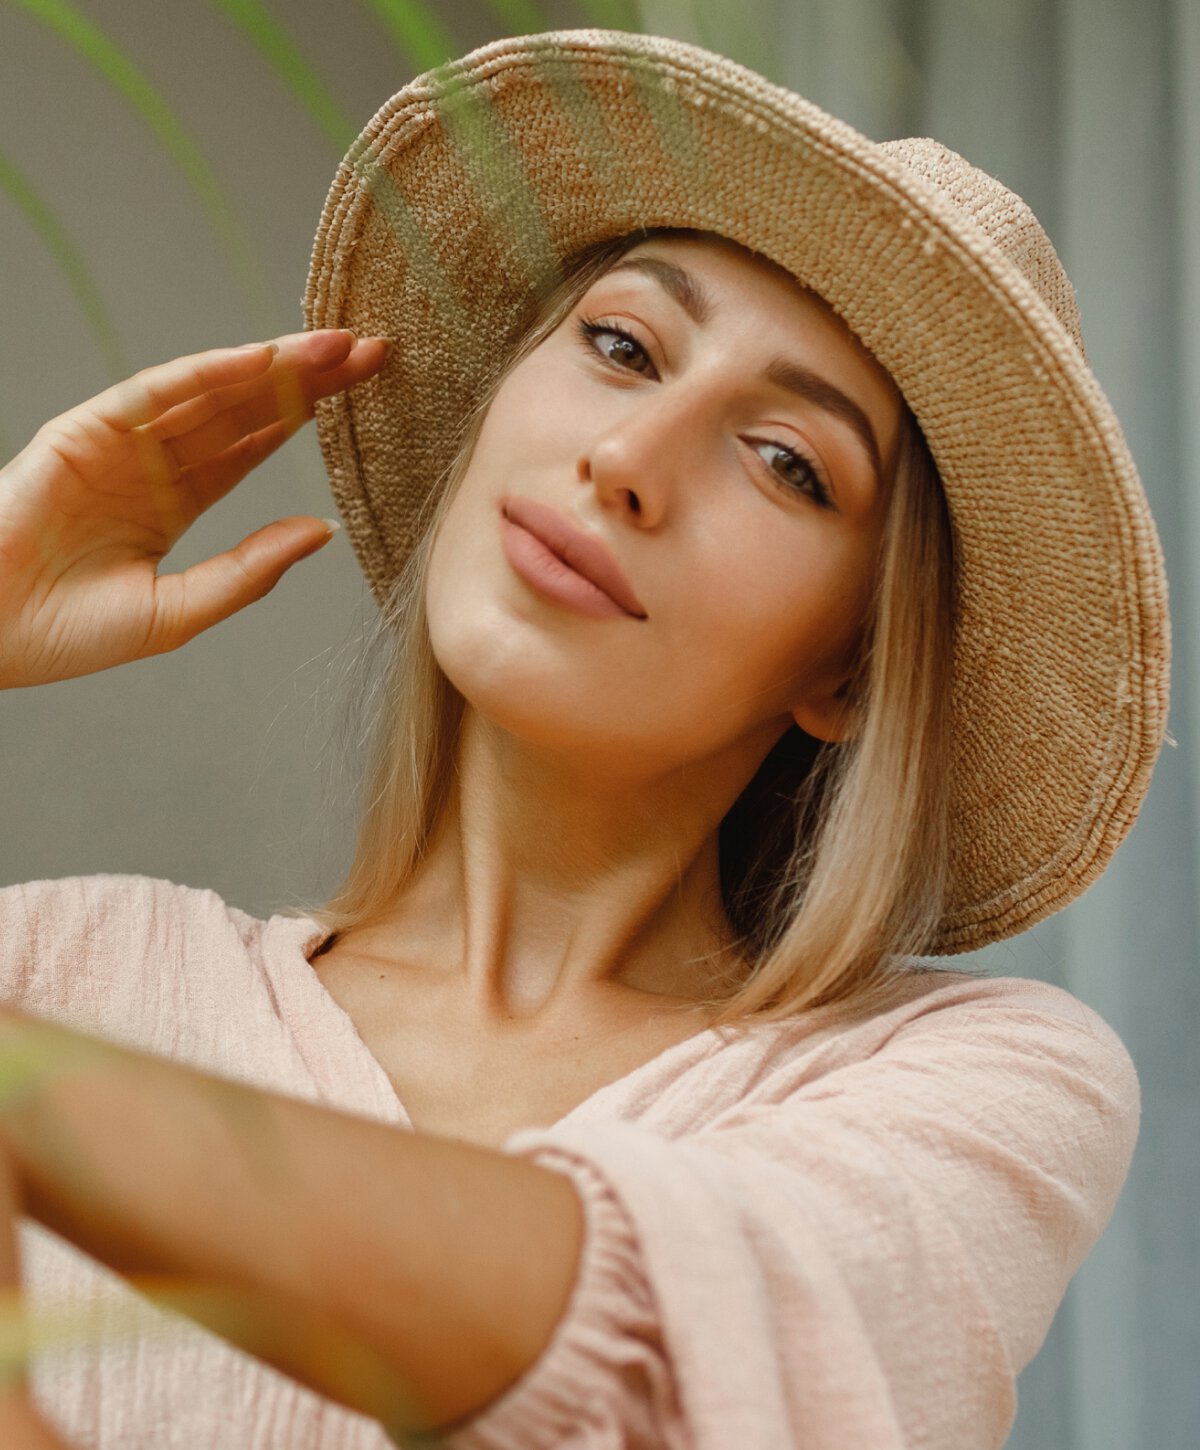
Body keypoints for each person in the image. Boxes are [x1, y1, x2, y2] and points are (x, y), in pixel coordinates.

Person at [0, 27, 1168, 1450]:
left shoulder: (969, 1083)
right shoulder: (52, 969)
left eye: (787, 462)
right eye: (620, 345)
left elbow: (664, 1355)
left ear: (853, 667)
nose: (626, 459)